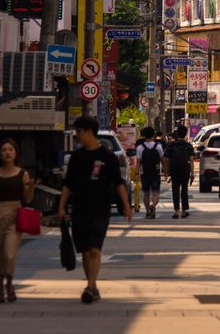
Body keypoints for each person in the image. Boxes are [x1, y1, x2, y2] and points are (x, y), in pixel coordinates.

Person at [59, 116, 133, 304]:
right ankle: (93, 286)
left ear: (88, 132)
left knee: (94, 249)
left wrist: (126, 206)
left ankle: (90, 286)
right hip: (79, 209)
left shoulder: (108, 156)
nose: (77, 137)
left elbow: (118, 183)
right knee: (84, 251)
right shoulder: (77, 157)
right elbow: (68, 184)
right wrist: (61, 206)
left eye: (79, 132)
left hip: (100, 209)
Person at [0, 138, 37, 304]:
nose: (7, 152)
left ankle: (10, 285)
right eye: (4, 150)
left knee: (9, 253)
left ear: (15, 152)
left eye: (10, 149)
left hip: (14, 216)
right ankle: (0, 292)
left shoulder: (22, 174)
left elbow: (28, 199)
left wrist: (31, 187)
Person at [163, 125, 195, 218]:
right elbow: (192, 160)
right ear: (185, 134)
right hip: (185, 169)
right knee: (184, 189)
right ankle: (184, 211)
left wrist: (167, 169)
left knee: (175, 189)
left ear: (177, 134)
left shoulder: (171, 145)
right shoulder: (188, 145)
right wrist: (192, 173)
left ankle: (176, 211)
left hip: (174, 169)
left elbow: (165, 158)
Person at [136, 126, 166, 218]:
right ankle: (153, 206)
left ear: (144, 135)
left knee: (146, 193)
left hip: (145, 173)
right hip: (156, 173)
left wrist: (137, 173)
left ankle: (148, 211)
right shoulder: (158, 146)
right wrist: (165, 171)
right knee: (155, 192)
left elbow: (138, 162)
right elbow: (162, 160)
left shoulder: (140, 147)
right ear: (153, 135)